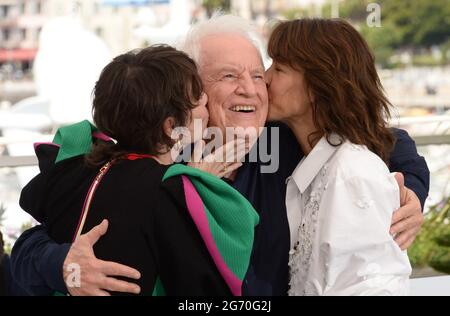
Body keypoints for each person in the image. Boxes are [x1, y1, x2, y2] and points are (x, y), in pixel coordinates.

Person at [11, 15, 430, 296]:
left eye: (258, 74)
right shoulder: (151, 153)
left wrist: (409, 189)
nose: (250, 89)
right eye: (228, 76)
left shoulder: (283, 141)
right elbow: (30, 245)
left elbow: (387, 141)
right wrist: (64, 266)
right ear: (190, 90)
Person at [18, 45, 258, 296]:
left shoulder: (75, 167)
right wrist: (195, 190)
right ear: (171, 126)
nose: (206, 102)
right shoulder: (171, 192)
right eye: (198, 101)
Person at [266, 18, 413, 295]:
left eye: (279, 68)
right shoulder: (319, 168)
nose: (265, 77)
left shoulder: (352, 172)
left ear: (317, 86)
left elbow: (375, 287)